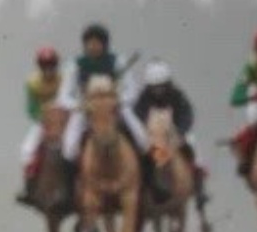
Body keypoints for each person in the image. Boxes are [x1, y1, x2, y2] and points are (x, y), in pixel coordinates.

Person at [57, 23, 165, 198]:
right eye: (89, 43)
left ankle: (153, 183)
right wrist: (79, 106)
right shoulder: (75, 65)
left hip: (115, 108)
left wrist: (117, 102)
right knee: (69, 146)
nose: (93, 46)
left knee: (143, 138)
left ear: (104, 44)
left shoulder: (118, 61)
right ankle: (68, 191)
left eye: (97, 42)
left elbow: (131, 90)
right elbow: (63, 96)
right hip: (86, 110)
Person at [133, 59, 209, 207]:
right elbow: (138, 117)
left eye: (161, 86)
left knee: (195, 148)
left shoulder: (177, 95)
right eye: (154, 87)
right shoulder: (142, 98)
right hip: (152, 136)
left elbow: (187, 115)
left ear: (167, 83)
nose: (158, 90)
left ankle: (199, 190)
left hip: (175, 133)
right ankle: (142, 187)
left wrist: (181, 132)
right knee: (138, 153)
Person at [16, 46, 65, 205]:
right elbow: (31, 109)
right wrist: (43, 116)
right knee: (26, 149)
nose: (48, 70)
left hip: (63, 120)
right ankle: (29, 188)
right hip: (43, 121)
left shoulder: (63, 80)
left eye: (51, 66)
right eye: (45, 66)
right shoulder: (33, 83)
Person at [228, 27, 257, 176]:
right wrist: (252, 97)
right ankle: (245, 161)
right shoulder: (251, 66)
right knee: (254, 119)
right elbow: (235, 96)